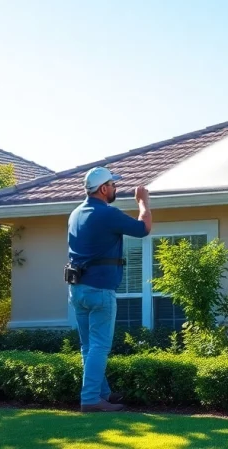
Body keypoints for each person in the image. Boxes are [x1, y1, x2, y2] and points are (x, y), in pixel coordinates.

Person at [67, 166, 152, 412]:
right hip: (100, 291)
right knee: (100, 347)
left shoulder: (75, 214)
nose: (115, 188)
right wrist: (143, 202)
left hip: (78, 290)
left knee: (88, 347)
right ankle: (91, 399)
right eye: (113, 185)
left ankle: (103, 394)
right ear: (104, 189)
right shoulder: (107, 214)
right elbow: (143, 229)